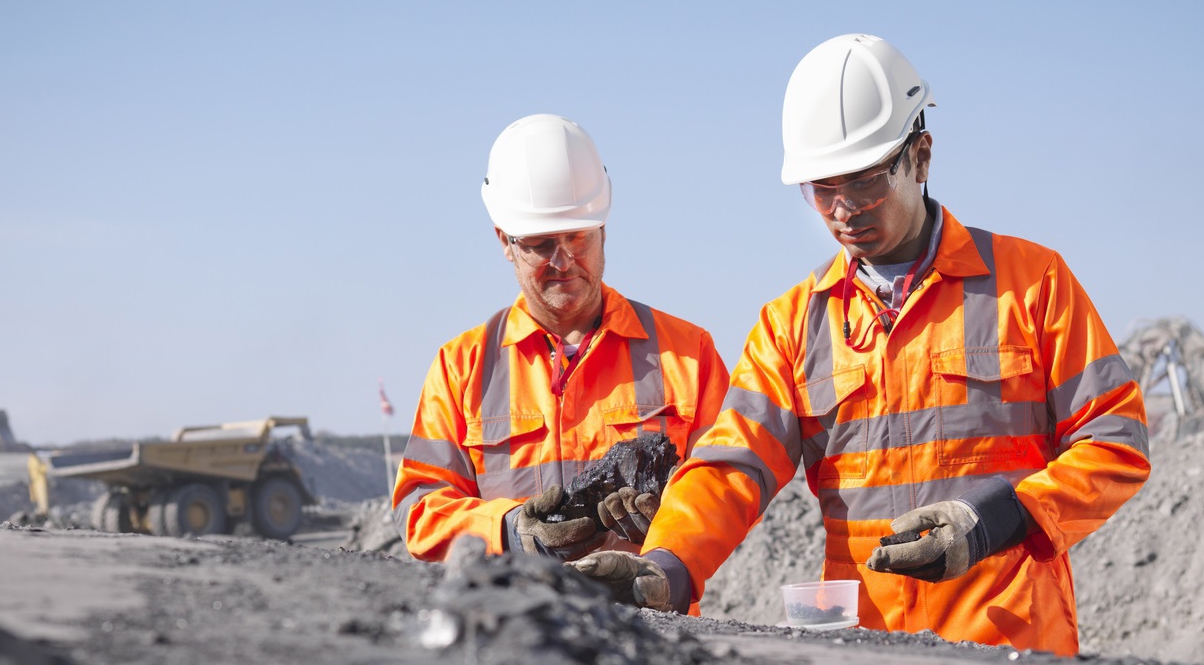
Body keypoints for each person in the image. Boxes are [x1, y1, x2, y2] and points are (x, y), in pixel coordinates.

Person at [573, 35, 1149, 655]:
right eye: (822, 189)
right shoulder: (794, 324)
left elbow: (1116, 442)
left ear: (920, 156)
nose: (844, 209)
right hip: (866, 647)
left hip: (1009, 641)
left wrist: (995, 521)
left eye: (865, 182)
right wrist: (669, 564)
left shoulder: (1030, 284)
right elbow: (731, 468)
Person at [393, 114, 729, 563]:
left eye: (577, 236)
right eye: (541, 243)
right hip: (514, 623)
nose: (564, 259)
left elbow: (731, 487)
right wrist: (510, 531)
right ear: (505, 242)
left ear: (603, 228)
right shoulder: (462, 368)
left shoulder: (688, 354)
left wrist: (673, 521)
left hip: (646, 621)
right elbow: (419, 507)